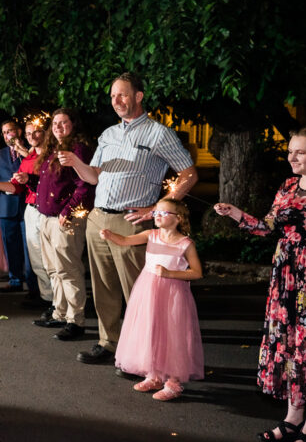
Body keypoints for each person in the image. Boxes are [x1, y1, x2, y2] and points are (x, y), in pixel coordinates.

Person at [215, 124, 306, 442]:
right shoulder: (289, 185)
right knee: (290, 345)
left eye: (300, 152)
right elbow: (268, 226)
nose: (291, 157)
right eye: (290, 151)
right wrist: (236, 214)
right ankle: (292, 420)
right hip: (287, 280)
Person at [59, 73, 196, 364]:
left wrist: (155, 210)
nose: (116, 101)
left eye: (122, 94)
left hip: (131, 221)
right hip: (98, 219)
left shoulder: (159, 134)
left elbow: (189, 174)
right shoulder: (108, 134)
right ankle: (109, 344)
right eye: (112, 96)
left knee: (137, 291)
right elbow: (93, 177)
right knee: (102, 287)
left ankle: (143, 353)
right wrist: (75, 163)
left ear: (138, 96)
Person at [101, 198, 203, 400]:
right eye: (156, 212)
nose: (157, 215)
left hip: (173, 294)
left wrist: (170, 274)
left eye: (163, 213)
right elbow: (125, 241)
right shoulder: (151, 235)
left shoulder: (185, 244)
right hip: (148, 291)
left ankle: (173, 381)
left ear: (178, 218)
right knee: (151, 329)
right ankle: (154, 374)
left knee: (171, 333)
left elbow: (197, 272)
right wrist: (110, 235)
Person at [26, 109, 94, 341]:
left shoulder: (77, 150)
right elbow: (52, 183)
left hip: (64, 219)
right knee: (53, 269)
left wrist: (69, 210)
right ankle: (60, 312)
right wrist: (31, 180)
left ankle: (76, 321)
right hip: (45, 217)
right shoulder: (51, 150)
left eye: (64, 122)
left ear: (73, 124)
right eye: (55, 123)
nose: (58, 127)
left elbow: (85, 185)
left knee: (68, 270)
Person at [0, 120, 37, 295]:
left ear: (19, 132)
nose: (7, 136)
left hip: (27, 204)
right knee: (10, 246)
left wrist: (23, 151)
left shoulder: (30, 151)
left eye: (10, 131)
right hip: (6, 207)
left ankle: (35, 285)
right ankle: (15, 280)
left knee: (30, 248)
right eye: (4, 133)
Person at [17, 118, 54, 317]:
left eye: (36, 132)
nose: (32, 136)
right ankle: (48, 300)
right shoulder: (28, 159)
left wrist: (30, 179)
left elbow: (51, 184)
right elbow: (16, 187)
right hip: (30, 209)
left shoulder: (51, 156)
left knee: (51, 257)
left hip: (48, 210)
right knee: (37, 257)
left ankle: (60, 302)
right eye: (29, 133)